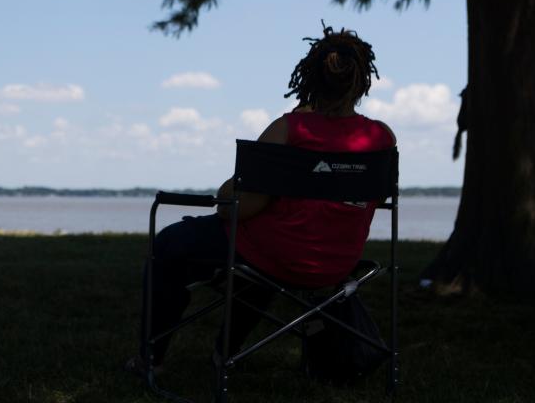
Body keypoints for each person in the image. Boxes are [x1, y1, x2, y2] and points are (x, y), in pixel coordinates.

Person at [131, 24, 396, 373]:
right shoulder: (380, 138)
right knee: (257, 262)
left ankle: (150, 359)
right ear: (362, 82)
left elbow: (236, 205)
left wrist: (230, 192)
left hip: (274, 257)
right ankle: (226, 353)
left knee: (171, 245)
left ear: (310, 78)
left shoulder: (289, 130)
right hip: (334, 265)